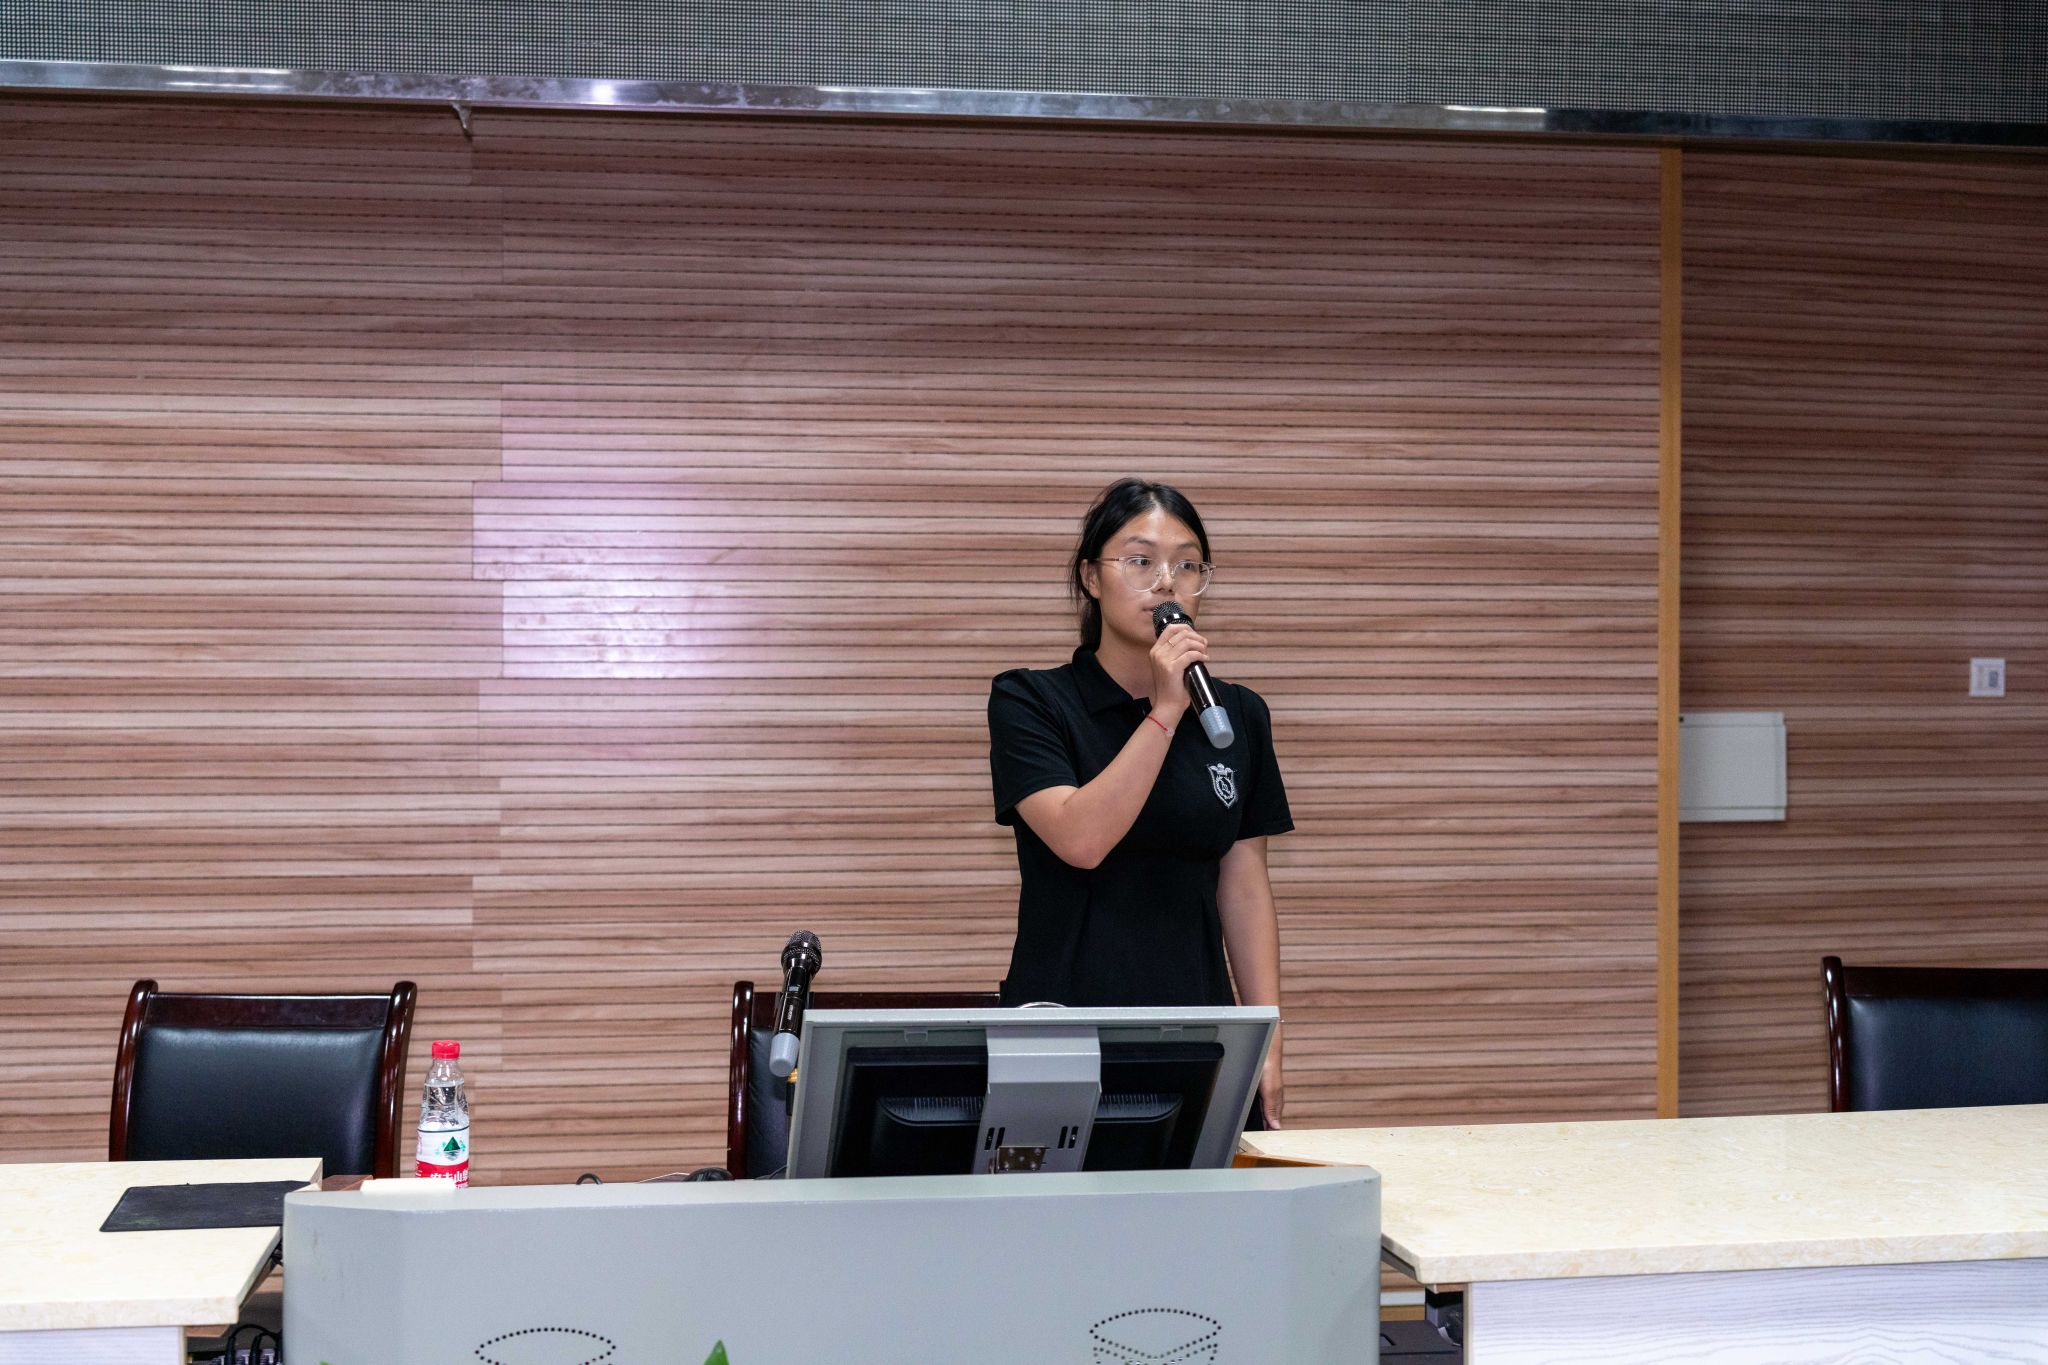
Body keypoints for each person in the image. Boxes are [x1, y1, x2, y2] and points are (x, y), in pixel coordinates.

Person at [987, 477, 1292, 1127]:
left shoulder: (1238, 714)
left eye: (1187, 565)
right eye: (1141, 561)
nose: (1166, 583)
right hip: (1064, 1026)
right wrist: (1166, 710)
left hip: (1197, 1029)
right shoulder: (1031, 701)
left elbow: (1244, 885)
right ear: (1091, 578)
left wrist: (1267, 1034)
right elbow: (1081, 840)